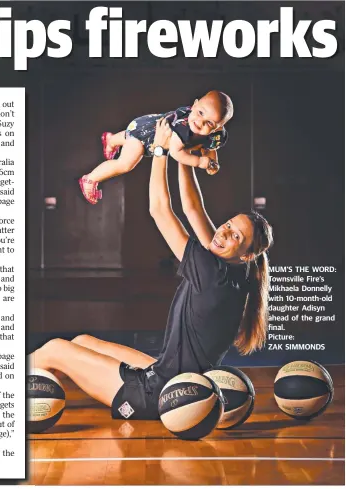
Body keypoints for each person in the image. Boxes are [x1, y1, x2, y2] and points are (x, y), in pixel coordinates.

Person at [31, 117, 273, 420]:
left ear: (247, 253)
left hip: (159, 394)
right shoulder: (237, 270)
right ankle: (40, 396)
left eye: (235, 235)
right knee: (81, 343)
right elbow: (193, 208)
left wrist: (159, 152)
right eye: (227, 225)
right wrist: (182, 155)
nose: (223, 233)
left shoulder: (212, 271)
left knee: (55, 348)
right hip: (169, 374)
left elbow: (159, 210)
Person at [79, 90, 233, 204]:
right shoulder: (183, 129)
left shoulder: (216, 135)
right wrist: (199, 162)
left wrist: (213, 161)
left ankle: (111, 140)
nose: (200, 122)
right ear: (194, 105)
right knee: (126, 163)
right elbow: (176, 152)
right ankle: (91, 179)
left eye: (209, 123)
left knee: (128, 134)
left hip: (143, 124)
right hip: (146, 134)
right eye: (200, 113)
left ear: (218, 128)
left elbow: (211, 147)